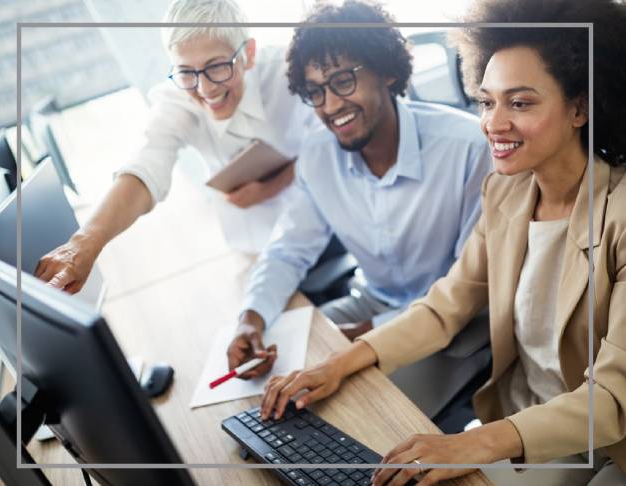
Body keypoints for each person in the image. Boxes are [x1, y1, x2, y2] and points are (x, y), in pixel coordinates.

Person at [260, 0, 626, 484]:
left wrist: (472, 442)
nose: (494, 124)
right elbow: (446, 305)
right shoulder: (507, 191)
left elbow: (612, 397)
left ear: (579, 107)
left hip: (586, 440)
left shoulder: (618, 217)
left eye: (520, 103)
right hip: (509, 418)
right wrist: (339, 362)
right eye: (487, 100)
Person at [227, 0, 491, 386]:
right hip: (373, 299)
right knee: (269, 376)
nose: (331, 106)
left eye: (343, 81)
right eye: (315, 91)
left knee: (344, 413)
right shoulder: (318, 153)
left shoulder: (468, 150)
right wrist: (251, 318)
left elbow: (466, 294)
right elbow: (288, 249)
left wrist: (361, 338)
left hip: (454, 325)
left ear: (385, 71)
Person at [34, 0, 319, 292]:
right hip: (252, 247)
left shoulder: (289, 73)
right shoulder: (179, 100)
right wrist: (83, 244)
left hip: (319, 231)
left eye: (217, 66)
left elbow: (333, 144)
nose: (206, 89)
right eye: (186, 71)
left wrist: (278, 182)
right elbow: (148, 161)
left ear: (248, 54)